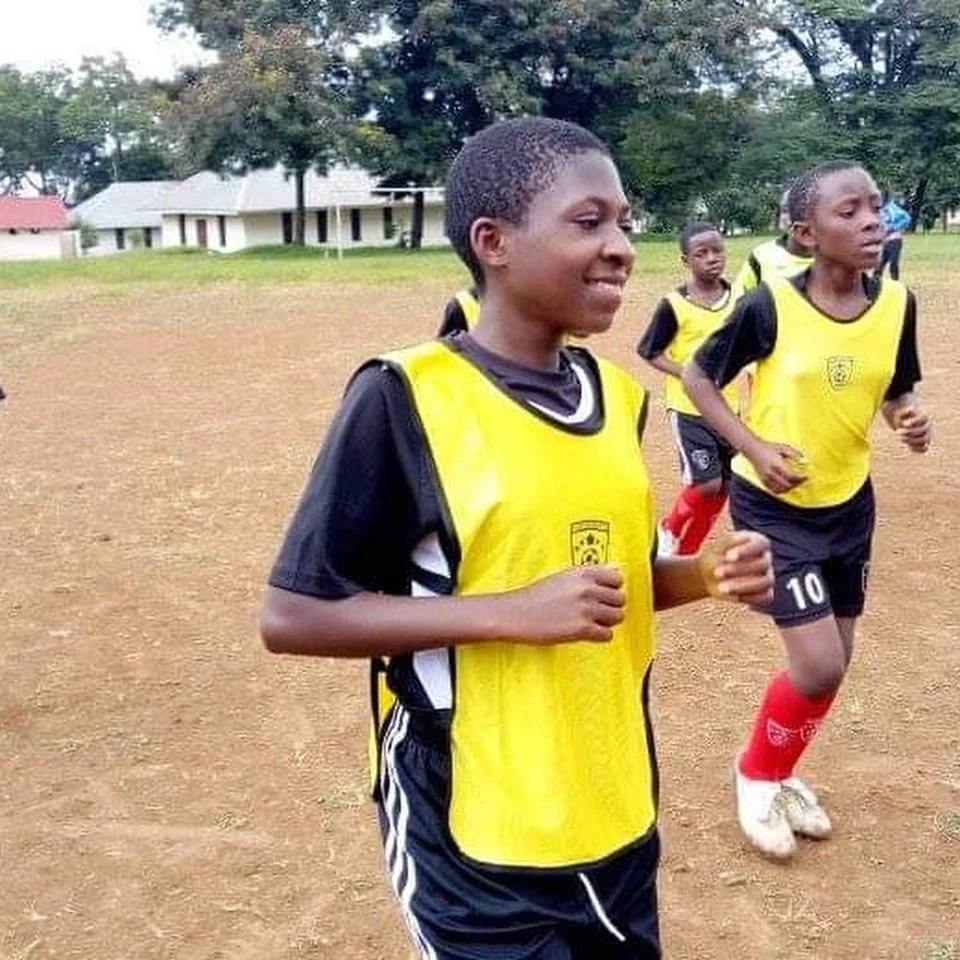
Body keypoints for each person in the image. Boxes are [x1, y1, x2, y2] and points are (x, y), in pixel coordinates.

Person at [261, 116, 774, 959]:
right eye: (588, 222)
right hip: (473, 826)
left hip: (612, 804)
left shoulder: (617, 396)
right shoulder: (405, 397)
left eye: (624, 223)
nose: (621, 248)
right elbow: (295, 615)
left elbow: (601, 585)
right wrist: (509, 612)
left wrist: (700, 575)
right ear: (493, 242)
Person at [682, 160, 931, 860]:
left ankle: (780, 769)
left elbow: (896, 388)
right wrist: (753, 446)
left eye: (875, 205)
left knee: (836, 660)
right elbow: (699, 377)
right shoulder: (769, 306)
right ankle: (756, 776)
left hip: (849, 503)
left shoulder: (897, 303)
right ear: (806, 233)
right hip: (773, 507)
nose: (871, 220)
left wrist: (908, 418)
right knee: (818, 665)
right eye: (849, 211)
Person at [637, 222, 737, 556]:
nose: (712, 258)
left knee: (725, 486)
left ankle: (686, 551)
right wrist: (689, 374)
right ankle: (670, 529)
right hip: (689, 408)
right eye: (701, 253)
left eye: (717, 250)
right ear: (686, 260)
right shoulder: (674, 305)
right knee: (706, 482)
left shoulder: (739, 299)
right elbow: (649, 351)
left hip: (728, 410)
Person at [732, 188, 814, 297]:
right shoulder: (762, 255)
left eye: (802, 210)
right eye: (785, 210)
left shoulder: (834, 258)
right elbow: (739, 297)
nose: (791, 218)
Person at [877, 193, 911, 281]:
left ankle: (895, 282)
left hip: (894, 240)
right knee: (881, 263)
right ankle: (875, 282)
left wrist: (893, 227)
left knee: (892, 263)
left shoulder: (893, 209)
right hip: (886, 241)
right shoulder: (882, 211)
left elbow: (907, 219)